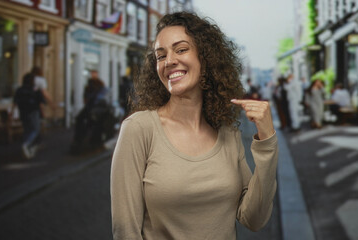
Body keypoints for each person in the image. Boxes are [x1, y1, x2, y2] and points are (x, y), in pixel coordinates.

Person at [111, 12, 278, 240]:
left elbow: (254, 219)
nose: (169, 61)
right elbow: (125, 231)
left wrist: (267, 141)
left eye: (180, 50)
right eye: (161, 56)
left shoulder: (228, 132)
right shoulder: (138, 129)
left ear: (205, 58)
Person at [70, 70, 114, 153]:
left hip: (95, 110)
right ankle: (90, 143)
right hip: (95, 110)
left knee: (87, 123)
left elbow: (87, 99)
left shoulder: (97, 87)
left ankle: (83, 142)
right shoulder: (99, 88)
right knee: (92, 125)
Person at [11, 73, 46, 159]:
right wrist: (43, 113)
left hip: (23, 112)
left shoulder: (19, 90)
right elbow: (40, 102)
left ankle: (27, 148)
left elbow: (15, 102)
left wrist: (11, 113)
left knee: (27, 129)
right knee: (35, 129)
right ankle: (27, 144)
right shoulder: (34, 90)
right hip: (33, 111)